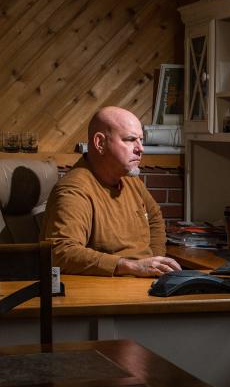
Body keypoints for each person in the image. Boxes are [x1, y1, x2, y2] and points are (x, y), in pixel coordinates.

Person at [40, 106, 182, 276]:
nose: (140, 148)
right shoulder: (74, 190)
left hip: (143, 282)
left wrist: (157, 262)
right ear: (100, 143)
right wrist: (131, 267)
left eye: (141, 140)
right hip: (107, 288)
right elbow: (60, 252)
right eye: (130, 139)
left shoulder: (131, 180)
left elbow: (154, 219)